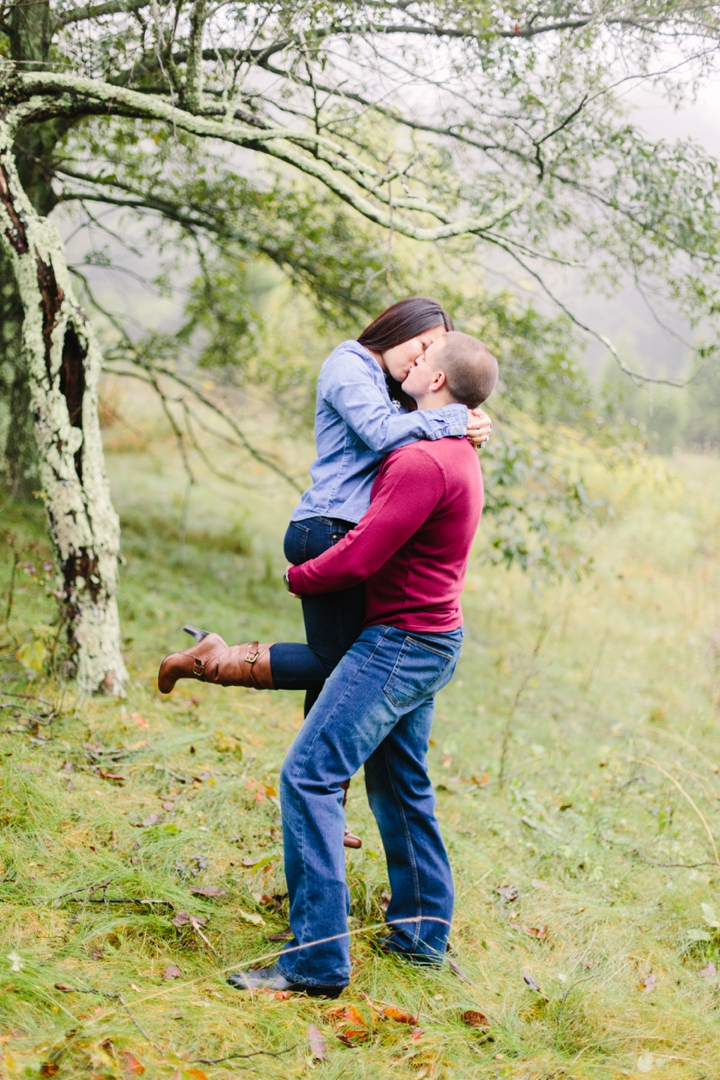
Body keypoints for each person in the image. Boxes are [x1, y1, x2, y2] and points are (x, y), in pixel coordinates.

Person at [158, 331, 498, 996]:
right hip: (432, 637)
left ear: (436, 383)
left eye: (426, 357)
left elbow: (361, 555)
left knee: (309, 776)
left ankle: (315, 963)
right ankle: (422, 938)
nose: (413, 360)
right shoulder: (452, 452)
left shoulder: (425, 462)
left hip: (399, 641)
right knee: (401, 786)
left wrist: (301, 576)